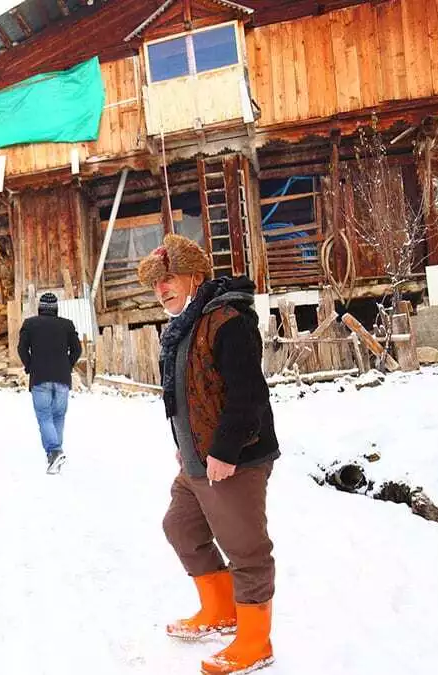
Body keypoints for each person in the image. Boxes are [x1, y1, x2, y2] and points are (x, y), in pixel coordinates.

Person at [136, 234, 281, 675]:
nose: (161, 290)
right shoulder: (185, 325)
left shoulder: (227, 320)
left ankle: (256, 641)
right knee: (179, 526)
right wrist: (186, 447)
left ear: (194, 275)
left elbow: (248, 394)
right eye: (155, 284)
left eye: (169, 279)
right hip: (197, 459)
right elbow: (187, 394)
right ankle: (220, 610)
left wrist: (224, 449)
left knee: (246, 550)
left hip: (234, 458)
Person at [17, 292, 82, 473]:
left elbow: (22, 348)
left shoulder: (30, 324)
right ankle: (55, 457)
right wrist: (67, 366)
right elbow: (77, 349)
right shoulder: (66, 325)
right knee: (58, 416)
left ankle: (54, 451)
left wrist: (30, 366)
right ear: (56, 309)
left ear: (40, 307)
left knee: (45, 416)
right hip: (62, 378)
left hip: (40, 377)